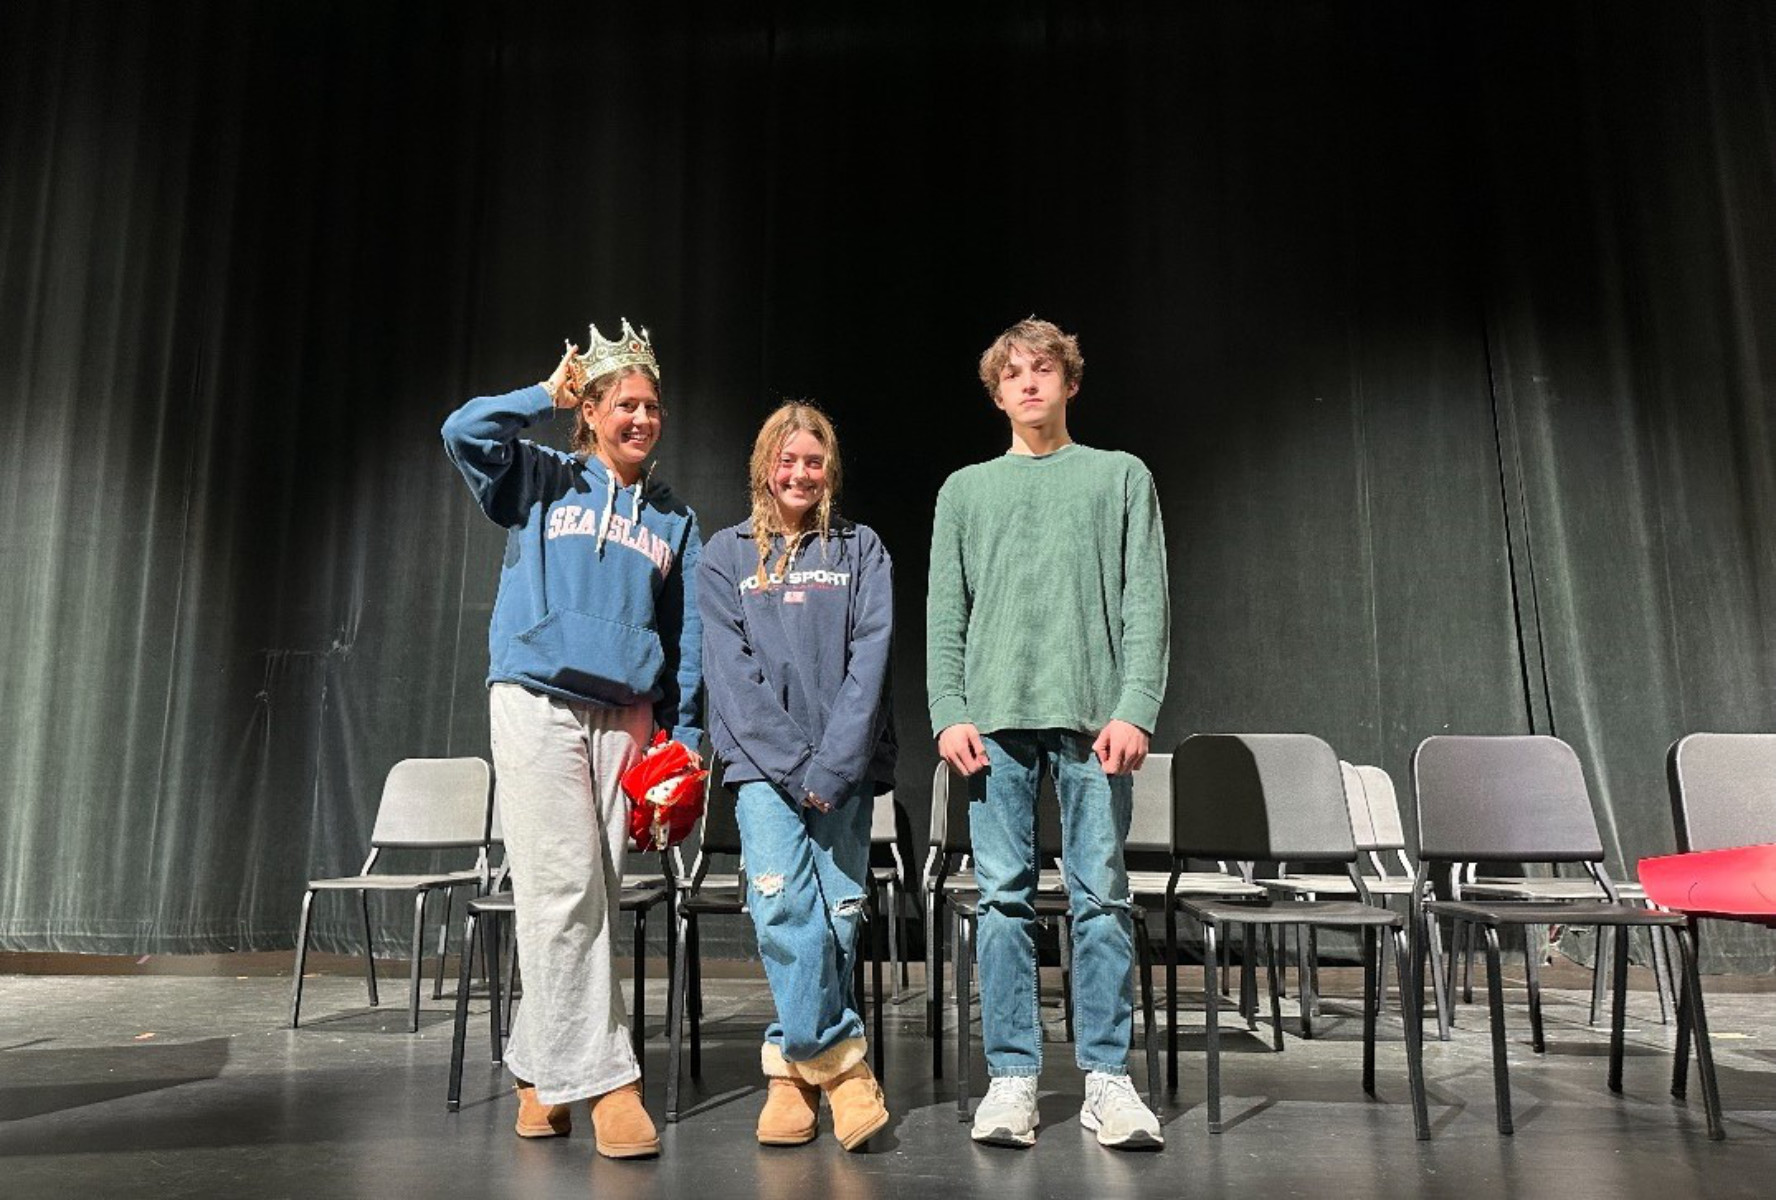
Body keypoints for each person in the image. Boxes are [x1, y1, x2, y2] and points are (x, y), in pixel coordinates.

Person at [441, 319, 702, 1160]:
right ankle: (608, 1084)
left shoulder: (673, 520)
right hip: (537, 700)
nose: (641, 417)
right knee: (560, 893)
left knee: (593, 898)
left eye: (652, 405)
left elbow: (685, 636)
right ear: (588, 414)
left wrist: (686, 735)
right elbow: (461, 431)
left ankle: (536, 1069)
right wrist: (540, 397)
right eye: (623, 403)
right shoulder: (541, 477)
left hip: (626, 715)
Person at [926, 317, 1169, 1151]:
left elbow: (1147, 603)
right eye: (1014, 375)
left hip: (1095, 723)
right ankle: (1013, 1080)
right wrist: (948, 711)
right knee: (1003, 903)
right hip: (993, 726)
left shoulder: (1121, 476)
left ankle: (1107, 1079)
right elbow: (944, 615)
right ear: (997, 394)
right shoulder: (965, 490)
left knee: (1102, 901)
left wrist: (1135, 705)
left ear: (1069, 382)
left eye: (1044, 370)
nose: (1030, 384)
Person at [699, 402, 895, 1151]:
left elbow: (871, 661)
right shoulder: (726, 555)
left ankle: (788, 1068)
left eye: (814, 461)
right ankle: (842, 1071)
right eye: (788, 459)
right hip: (761, 769)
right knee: (783, 907)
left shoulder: (861, 549)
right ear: (764, 466)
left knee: (839, 910)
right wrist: (790, 767)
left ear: (830, 469)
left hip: (844, 768)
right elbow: (731, 677)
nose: (800, 473)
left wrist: (832, 766)